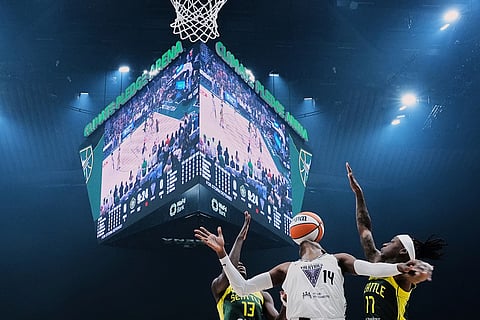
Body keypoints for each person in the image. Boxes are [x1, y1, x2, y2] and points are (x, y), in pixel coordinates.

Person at [194, 213, 430, 320]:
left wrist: (399, 269)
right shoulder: (286, 268)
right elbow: (243, 287)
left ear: (317, 239)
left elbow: (371, 269)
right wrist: (223, 254)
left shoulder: (338, 260)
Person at [346, 162, 446, 320]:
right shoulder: (376, 262)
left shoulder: (403, 276)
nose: (385, 244)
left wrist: (422, 272)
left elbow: (415, 275)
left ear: (403, 251)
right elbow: (364, 228)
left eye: (392, 242)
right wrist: (358, 193)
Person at [211, 211, 285, 320]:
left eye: (241, 264)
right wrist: (239, 239)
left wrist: (286, 304)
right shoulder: (220, 288)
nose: (239, 265)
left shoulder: (262, 295)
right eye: (236, 265)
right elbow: (228, 273)